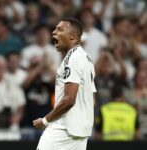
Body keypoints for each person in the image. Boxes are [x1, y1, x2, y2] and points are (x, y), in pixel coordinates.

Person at [33, 17, 96, 150]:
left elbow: (69, 100)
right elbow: (92, 100)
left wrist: (45, 120)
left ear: (72, 36)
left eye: (60, 29)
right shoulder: (86, 59)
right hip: (80, 131)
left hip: (63, 129)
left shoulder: (73, 59)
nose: (54, 32)